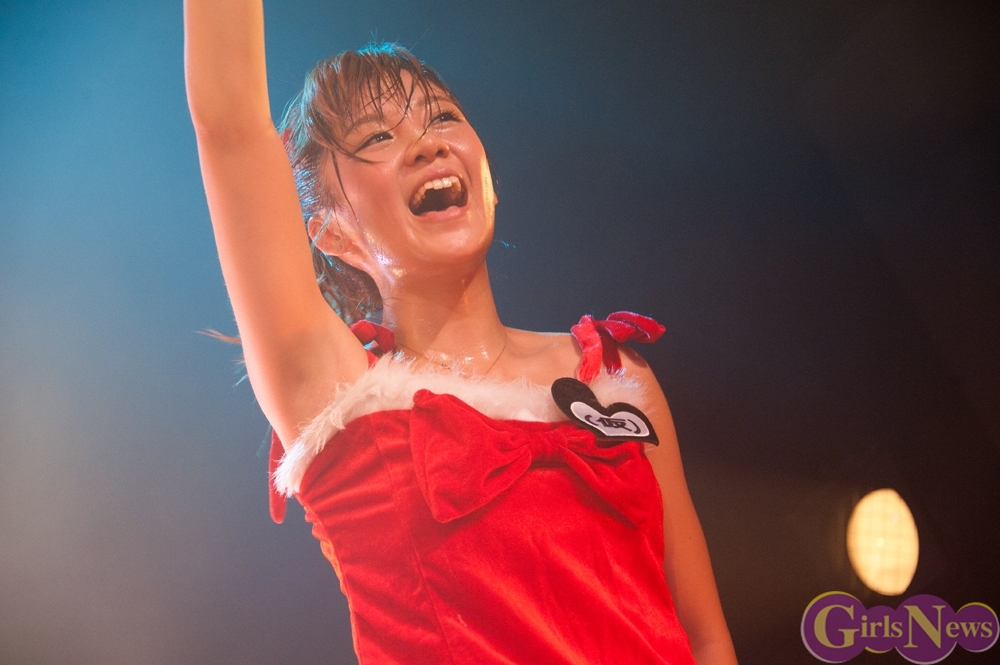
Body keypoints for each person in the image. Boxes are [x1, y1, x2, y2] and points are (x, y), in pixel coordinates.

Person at [184, 1, 738, 663]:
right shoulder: (336, 394)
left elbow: (705, 637)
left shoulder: (617, 376)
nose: (429, 143)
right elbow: (230, 123)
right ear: (331, 233)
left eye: (443, 117)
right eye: (376, 139)